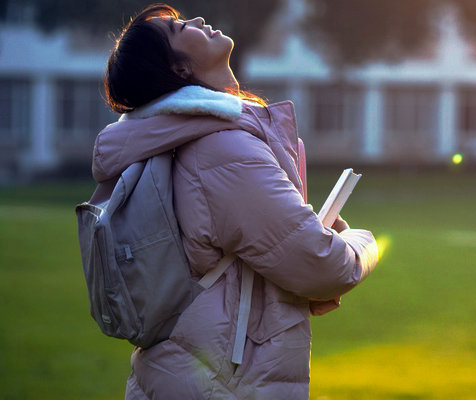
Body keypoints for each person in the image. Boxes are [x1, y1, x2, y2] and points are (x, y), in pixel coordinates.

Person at [96, 4, 379, 399]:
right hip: (223, 384)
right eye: (179, 28)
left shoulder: (189, 140)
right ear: (179, 69)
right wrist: (363, 243)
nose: (195, 19)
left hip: (197, 375)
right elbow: (321, 265)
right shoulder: (221, 149)